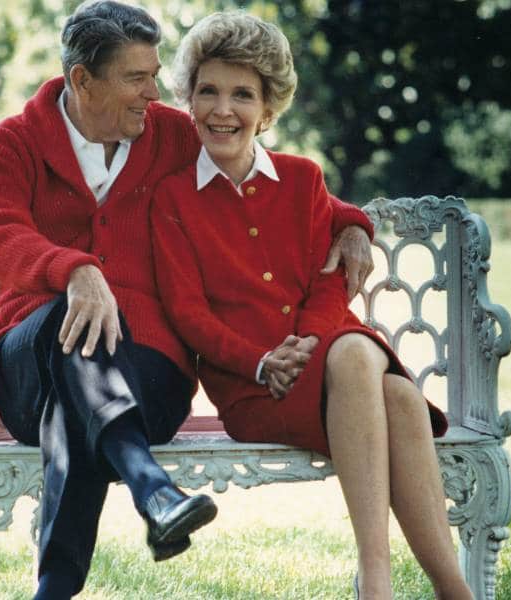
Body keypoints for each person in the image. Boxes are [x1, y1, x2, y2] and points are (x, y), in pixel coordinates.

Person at [0, 2, 376, 598]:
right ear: (83, 79)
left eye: (155, 76)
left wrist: (353, 223)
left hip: (148, 377)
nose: (154, 94)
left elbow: (273, 186)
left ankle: (57, 586)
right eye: (136, 78)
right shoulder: (7, 146)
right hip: (27, 362)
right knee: (69, 324)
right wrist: (75, 270)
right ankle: (151, 487)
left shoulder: (172, 135)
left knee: (74, 398)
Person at [150, 12, 474, 600]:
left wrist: (305, 345)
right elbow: (187, 313)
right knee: (385, 382)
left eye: (242, 95)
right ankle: (377, 578)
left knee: (389, 385)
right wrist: (260, 363)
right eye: (208, 91)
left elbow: (330, 282)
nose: (223, 110)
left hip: (332, 360)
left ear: (267, 109)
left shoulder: (303, 178)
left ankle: (447, 590)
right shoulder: (172, 198)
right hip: (254, 390)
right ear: (188, 100)